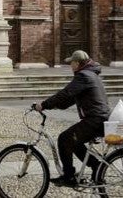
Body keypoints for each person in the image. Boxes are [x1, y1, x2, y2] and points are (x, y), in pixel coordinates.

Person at [31, 50, 109, 188]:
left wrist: (43, 105)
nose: (70, 65)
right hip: (98, 118)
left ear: (77, 63)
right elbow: (69, 99)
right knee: (74, 141)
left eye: (71, 63)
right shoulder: (90, 74)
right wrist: (53, 106)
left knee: (64, 139)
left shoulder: (83, 76)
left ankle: (68, 177)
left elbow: (66, 93)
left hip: (94, 120)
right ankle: (96, 165)